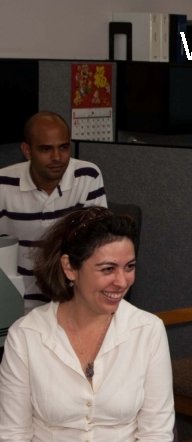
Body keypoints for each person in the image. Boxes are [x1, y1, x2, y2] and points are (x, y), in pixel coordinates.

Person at [0, 207, 174, 442]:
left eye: (129, 267)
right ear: (70, 268)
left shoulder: (148, 331)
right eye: (108, 269)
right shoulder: (27, 336)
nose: (122, 281)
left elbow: (156, 436)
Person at [0, 111, 107, 311]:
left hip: (72, 299)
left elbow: (98, 244)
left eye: (64, 147)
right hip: (16, 302)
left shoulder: (87, 176)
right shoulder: (3, 184)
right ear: (27, 150)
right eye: (46, 149)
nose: (57, 157)